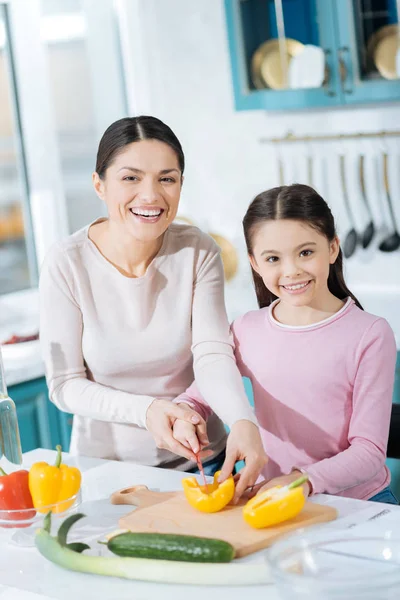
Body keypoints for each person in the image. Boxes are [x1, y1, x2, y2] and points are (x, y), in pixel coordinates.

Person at [39, 116, 266, 494]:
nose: (150, 196)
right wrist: (147, 411)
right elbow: (64, 385)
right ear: (99, 184)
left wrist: (242, 420)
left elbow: (211, 353)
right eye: (131, 178)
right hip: (108, 474)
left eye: (167, 178)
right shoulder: (67, 262)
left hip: (205, 463)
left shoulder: (197, 250)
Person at [172, 183, 398, 504]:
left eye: (306, 252)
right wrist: (184, 415)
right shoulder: (246, 329)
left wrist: (302, 480)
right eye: (273, 258)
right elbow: (201, 394)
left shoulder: (371, 334)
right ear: (254, 263)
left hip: (359, 502)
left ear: (332, 248)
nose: (291, 271)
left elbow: (370, 452)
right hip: (272, 497)